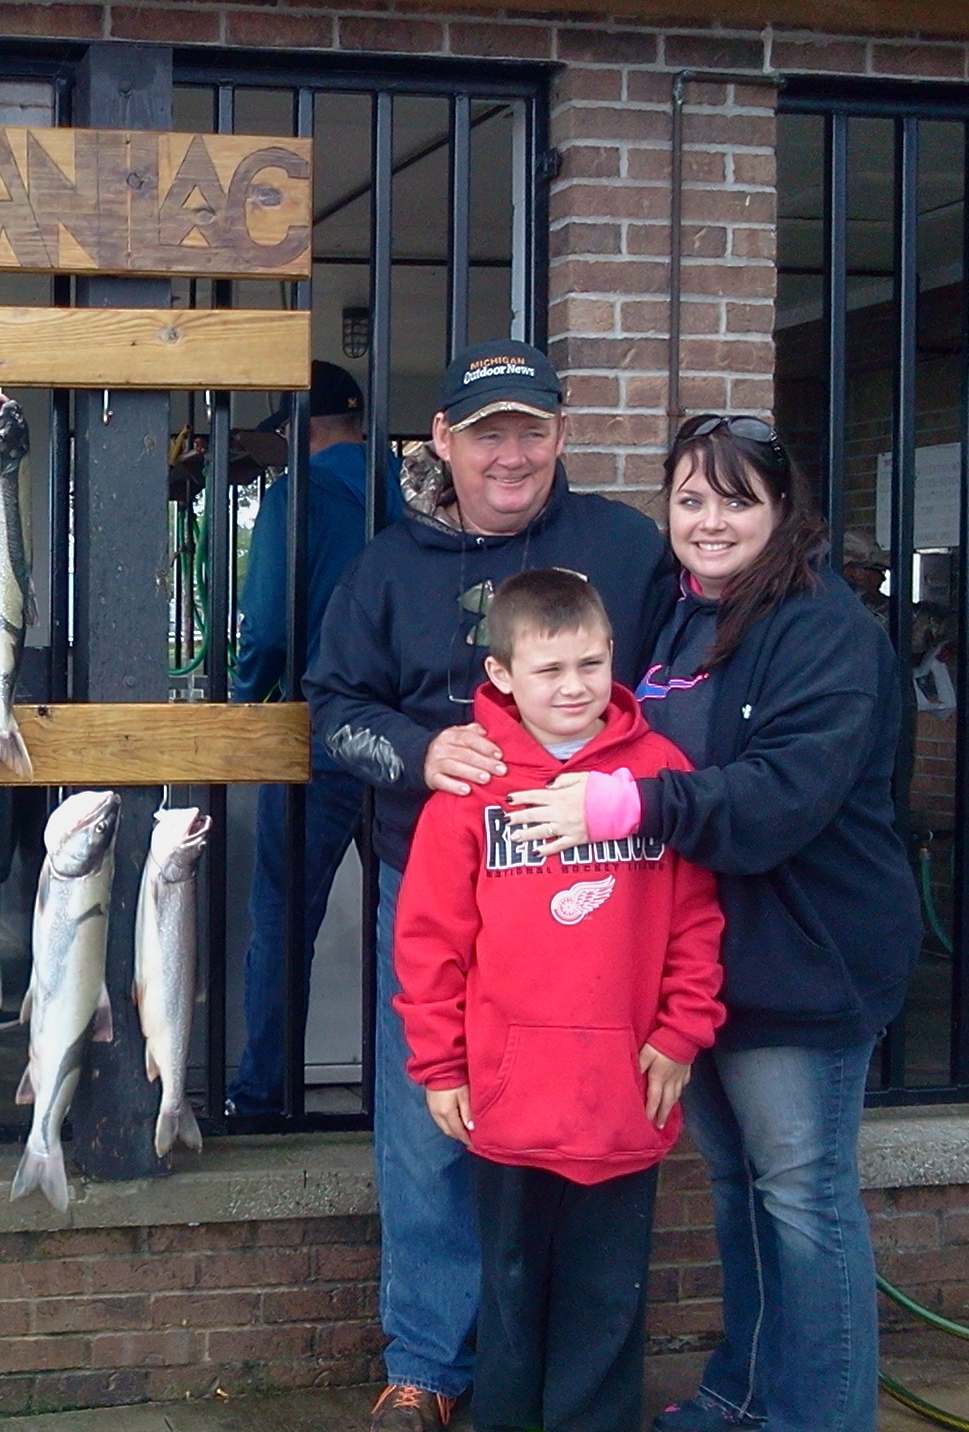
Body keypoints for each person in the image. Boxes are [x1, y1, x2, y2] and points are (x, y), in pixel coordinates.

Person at [504, 415, 921, 1432]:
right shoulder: (691, 619)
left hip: (803, 965)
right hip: (711, 971)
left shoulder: (826, 633)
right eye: (691, 499)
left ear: (783, 512)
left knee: (803, 1205)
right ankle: (741, 1398)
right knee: (740, 1195)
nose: (709, 521)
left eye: (737, 499)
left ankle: (819, 1417)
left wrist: (628, 809)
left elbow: (779, 798)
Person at [304, 339, 674, 1431]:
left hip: (607, 897)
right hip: (441, 893)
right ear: (445, 445)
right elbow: (332, 715)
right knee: (432, 1122)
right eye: (487, 433)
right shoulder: (383, 565)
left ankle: (555, 1377)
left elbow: (674, 692)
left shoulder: (625, 545)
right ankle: (427, 1363)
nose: (511, 455)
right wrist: (418, 754)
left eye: (531, 430)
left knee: (586, 1132)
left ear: (560, 435)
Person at [395, 568, 725, 1432]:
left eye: (590, 663)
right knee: (509, 1292)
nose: (573, 687)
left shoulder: (659, 775)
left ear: (614, 655)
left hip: (623, 1085)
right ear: (502, 674)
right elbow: (431, 943)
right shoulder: (474, 786)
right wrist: (440, 1066)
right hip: (509, 1094)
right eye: (549, 670)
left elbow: (696, 920)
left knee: (607, 1300)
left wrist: (684, 1034)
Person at [227, 359, 379, 1116]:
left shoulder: (299, 496)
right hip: (408, 740)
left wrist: (244, 711)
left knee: (284, 922)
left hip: (316, 733)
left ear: (301, 431)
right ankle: (400, 1090)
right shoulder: (401, 497)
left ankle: (264, 1097)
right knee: (411, 918)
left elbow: (267, 626)